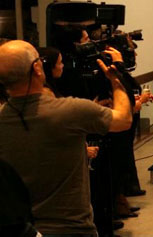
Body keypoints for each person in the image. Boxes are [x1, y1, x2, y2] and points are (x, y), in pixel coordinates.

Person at [0, 40, 132, 236]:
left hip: (25, 230)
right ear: (37, 68)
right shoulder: (70, 111)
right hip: (72, 229)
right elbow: (124, 119)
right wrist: (116, 78)